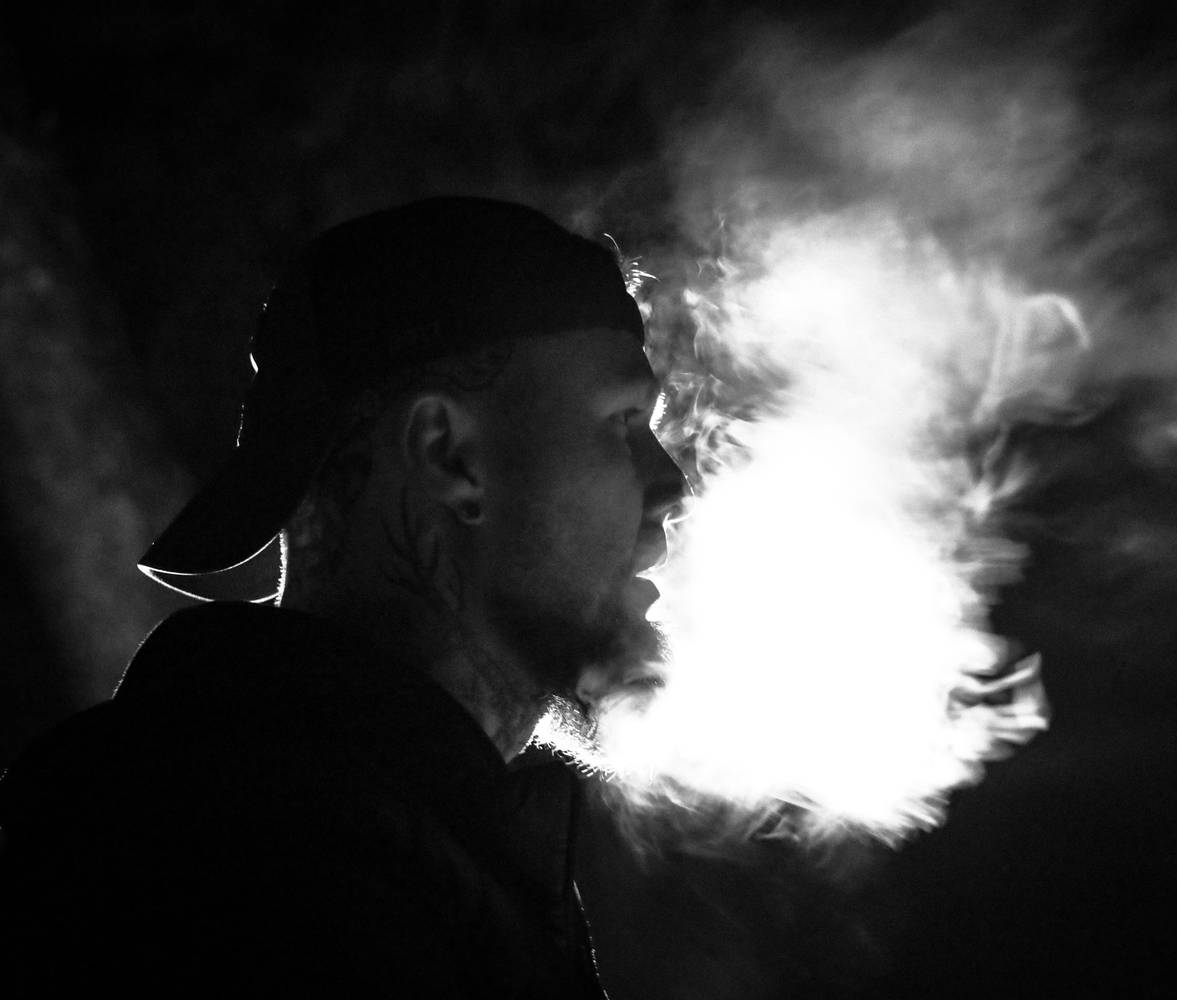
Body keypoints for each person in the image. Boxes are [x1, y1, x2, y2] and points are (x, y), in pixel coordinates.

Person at [0, 197, 685, 998]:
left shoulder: (382, 838)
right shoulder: (241, 871)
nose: (672, 484)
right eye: (622, 422)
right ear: (449, 455)